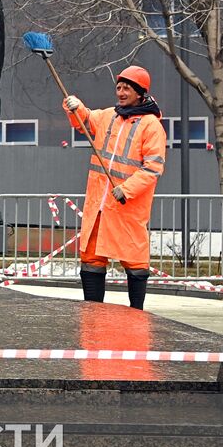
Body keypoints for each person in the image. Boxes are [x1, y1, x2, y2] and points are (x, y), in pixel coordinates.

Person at [64, 65, 167, 310]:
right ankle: (92, 312)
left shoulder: (151, 125)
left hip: (127, 207)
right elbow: (86, 121)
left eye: (126, 88)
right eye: (119, 88)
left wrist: (127, 189)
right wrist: (75, 108)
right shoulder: (110, 115)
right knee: (91, 258)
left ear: (140, 92)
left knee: (135, 260)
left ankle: (136, 313)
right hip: (99, 206)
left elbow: (153, 167)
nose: (121, 92)